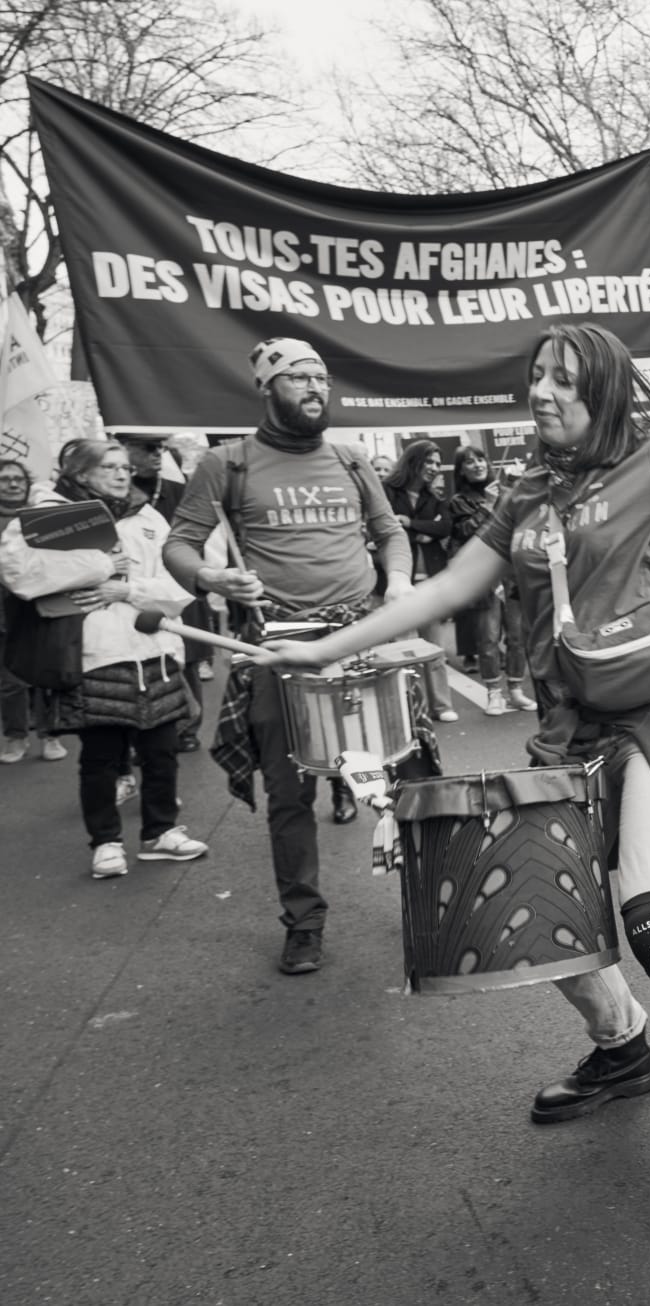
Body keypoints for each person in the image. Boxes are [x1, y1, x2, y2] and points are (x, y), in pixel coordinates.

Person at [266, 288, 650, 1124]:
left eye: (565, 381)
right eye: (537, 377)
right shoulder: (527, 493)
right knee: (537, 907)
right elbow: (450, 587)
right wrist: (328, 647)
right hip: (570, 722)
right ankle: (621, 1048)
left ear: (605, 393)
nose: (542, 392)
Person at [165, 337, 414, 974]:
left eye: (321, 377)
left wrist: (398, 582)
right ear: (266, 387)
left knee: (399, 778)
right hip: (280, 647)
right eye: (299, 376)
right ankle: (304, 922)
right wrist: (212, 578)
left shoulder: (352, 459)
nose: (315, 387)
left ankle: (425, 900)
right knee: (289, 790)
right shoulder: (226, 463)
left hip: (361, 638)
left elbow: (389, 532)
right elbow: (179, 546)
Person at [0, 439, 208, 877]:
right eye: (109, 467)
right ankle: (106, 843)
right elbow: (20, 575)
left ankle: (160, 833)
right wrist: (101, 568)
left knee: (161, 752)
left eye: (125, 468)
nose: (121, 474)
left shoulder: (147, 517)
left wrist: (128, 589)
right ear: (80, 473)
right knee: (101, 757)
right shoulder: (46, 516)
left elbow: (177, 587)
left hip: (154, 650)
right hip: (94, 653)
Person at [446, 445, 532, 717]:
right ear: (461, 470)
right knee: (488, 638)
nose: (477, 465)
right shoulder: (459, 501)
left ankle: (516, 689)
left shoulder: (505, 492)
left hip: (512, 574)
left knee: (518, 636)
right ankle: (494, 692)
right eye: (469, 462)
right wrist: (487, 505)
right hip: (483, 577)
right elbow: (465, 533)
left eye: (480, 459)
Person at [382, 440, 460, 723]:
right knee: (404, 650)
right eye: (430, 462)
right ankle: (413, 708)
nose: (435, 468)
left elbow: (445, 527)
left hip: (431, 582)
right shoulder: (387, 492)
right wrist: (424, 533)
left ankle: (441, 705)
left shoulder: (435, 496)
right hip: (396, 582)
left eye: (438, 463)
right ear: (413, 461)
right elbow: (385, 530)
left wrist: (410, 524)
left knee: (435, 649)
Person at [0, 458, 66, 765]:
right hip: (4, 611)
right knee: (10, 680)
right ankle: (16, 737)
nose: (13, 484)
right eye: (5, 479)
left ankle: (51, 736)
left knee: (47, 675)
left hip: (43, 607)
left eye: (19, 479)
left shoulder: (42, 515)